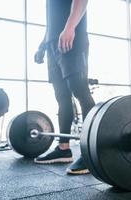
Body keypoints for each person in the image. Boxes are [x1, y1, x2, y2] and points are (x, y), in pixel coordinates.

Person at [33, 0, 95, 175]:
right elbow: (51, 22)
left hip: (72, 36)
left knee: (79, 90)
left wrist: (70, 27)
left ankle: (91, 150)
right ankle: (63, 148)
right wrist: (42, 46)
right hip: (53, 43)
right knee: (61, 97)